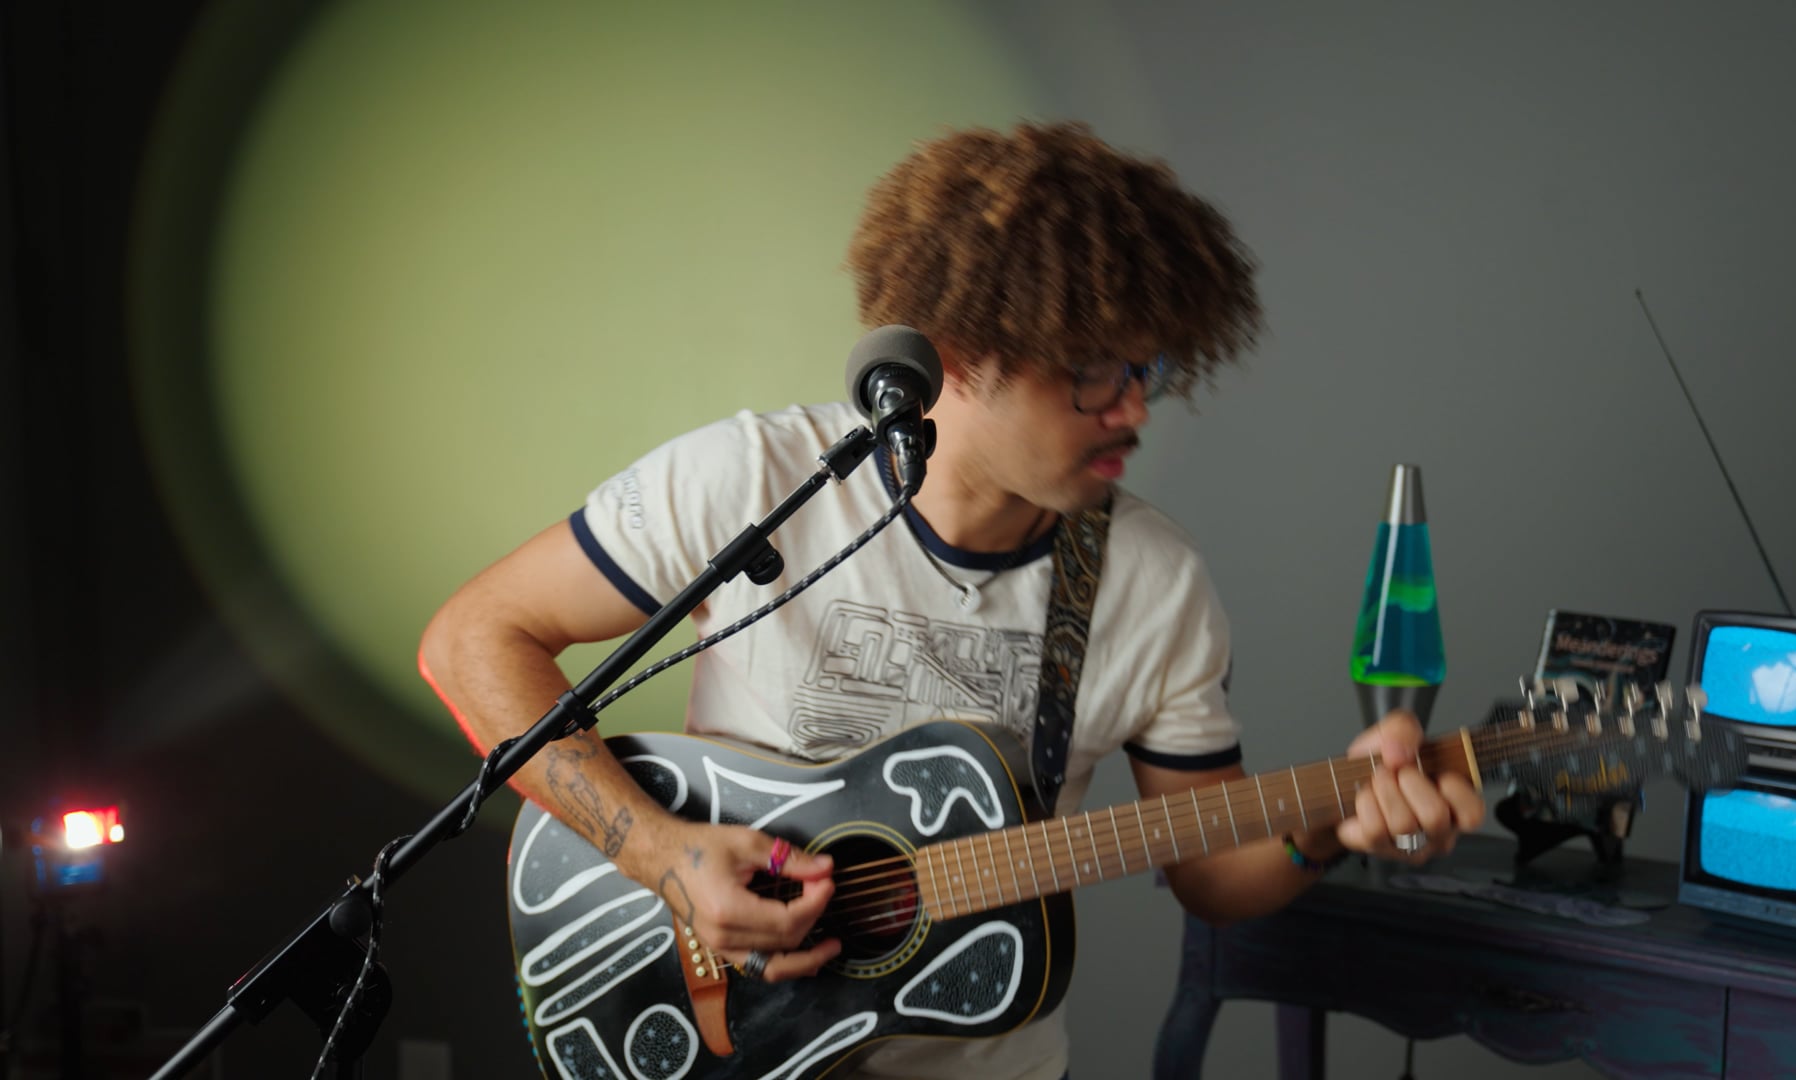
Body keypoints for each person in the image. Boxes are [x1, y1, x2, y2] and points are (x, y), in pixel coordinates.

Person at [418, 120, 1484, 1080]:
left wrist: (1336, 824)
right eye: (1096, 371)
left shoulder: (1155, 584)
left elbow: (1209, 872)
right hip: (739, 1040)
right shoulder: (755, 481)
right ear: (964, 354)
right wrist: (660, 853)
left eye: (1149, 370)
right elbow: (473, 639)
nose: (1135, 411)